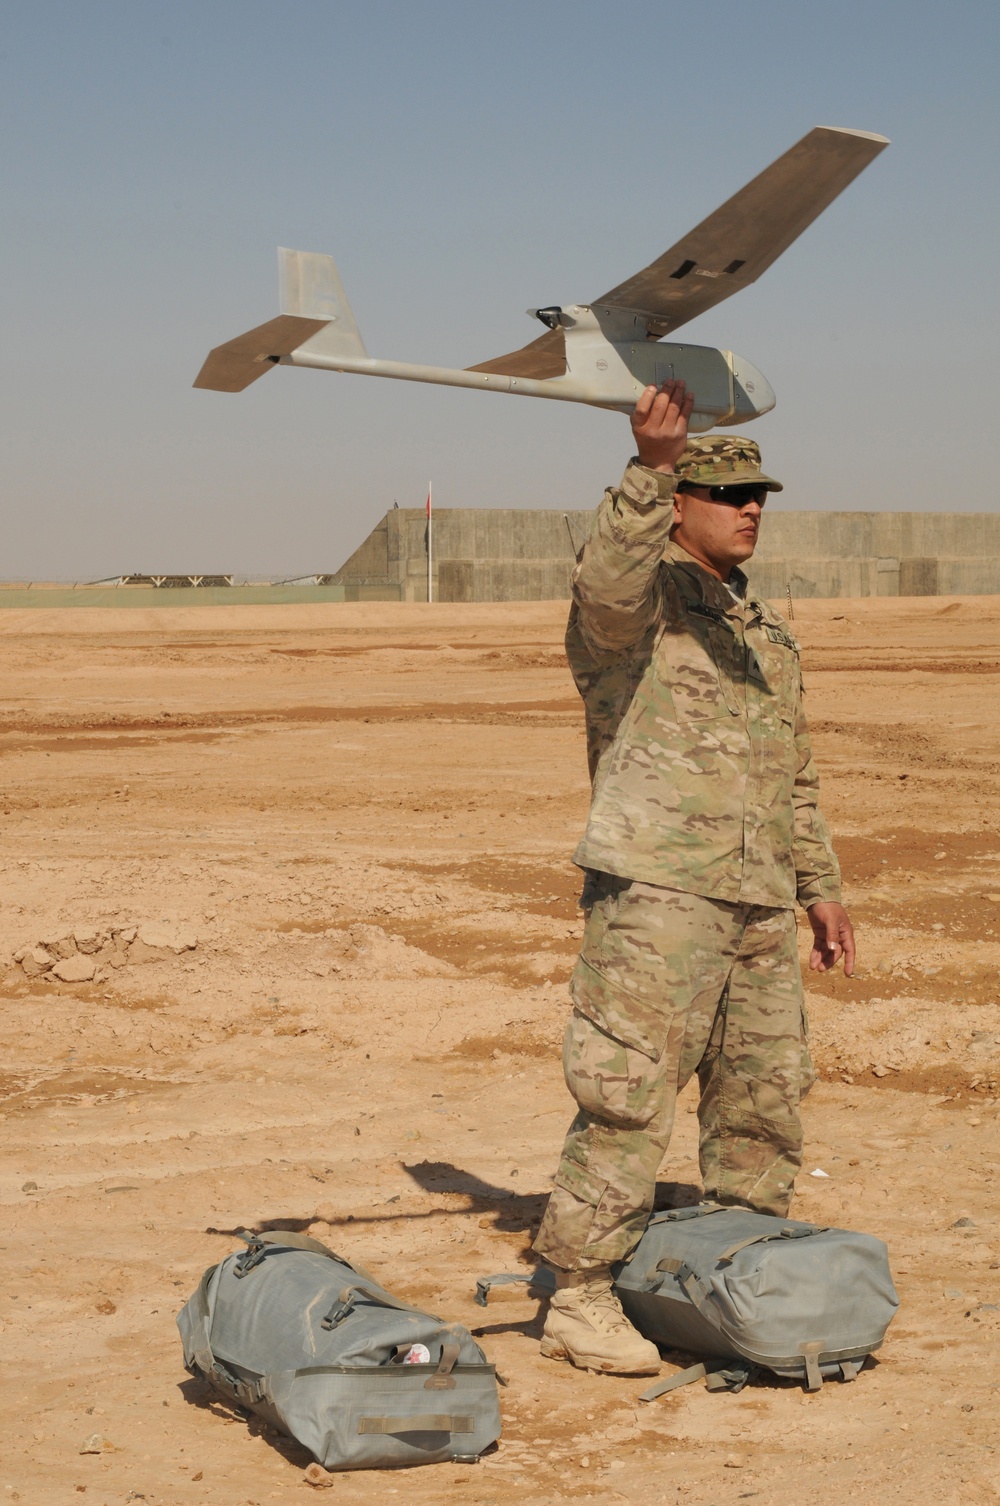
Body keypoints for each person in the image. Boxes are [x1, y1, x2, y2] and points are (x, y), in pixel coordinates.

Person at [532, 380, 855, 1376]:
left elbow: (792, 769)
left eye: (759, 495)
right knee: (628, 1094)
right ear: (680, 507)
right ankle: (581, 1296)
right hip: (658, 895)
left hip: (756, 898)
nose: (751, 507)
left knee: (764, 1094)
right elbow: (606, 582)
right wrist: (648, 467)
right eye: (728, 494)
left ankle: (739, 1274)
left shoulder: (760, 628)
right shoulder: (639, 612)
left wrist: (818, 885)